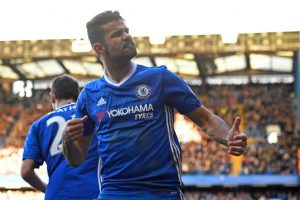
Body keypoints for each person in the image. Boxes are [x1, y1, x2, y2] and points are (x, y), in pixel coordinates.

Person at [62, 11, 247, 200]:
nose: (126, 36)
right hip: (113, 192)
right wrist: (68, 140)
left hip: (160, 191)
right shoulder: (90, 95)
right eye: (117, 34)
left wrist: (228, 137)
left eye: (126, 31)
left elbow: (205, 119)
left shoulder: (160, 78)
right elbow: (77, 159)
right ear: (99, 48)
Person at [21, 75, 100, 200]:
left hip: (57, 195)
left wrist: (48, 189)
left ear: (53, 97)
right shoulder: (91, 115)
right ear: (78, 95)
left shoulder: (38, 125)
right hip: (93, 193)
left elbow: (26, 171)